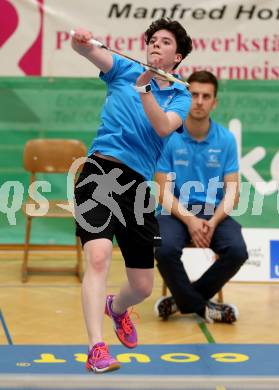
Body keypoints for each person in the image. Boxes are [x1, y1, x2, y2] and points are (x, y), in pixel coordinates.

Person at [71, 18, 192, 373]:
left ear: (177, 56)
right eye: (153, 40)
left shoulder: (179, 94)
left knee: (142, 285)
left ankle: (117, 307)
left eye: (165, 42)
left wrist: (145, 90)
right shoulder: (124, 68)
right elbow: (89, 51)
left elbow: (163, 126)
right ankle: (96, 347)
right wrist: (81, 41)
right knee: (98, 255)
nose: (156, 45)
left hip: (138, 186)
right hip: (99, 171)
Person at [154, 71, 248, 324]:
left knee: (238, 251)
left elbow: (233, 193)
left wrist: (213, 222)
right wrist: (191, 221)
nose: (199, 101)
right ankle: (200, 305)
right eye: (194, 94)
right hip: (176, 212)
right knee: (163, 248)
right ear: (186, 97)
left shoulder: (226, 139)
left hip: (213, 213)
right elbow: (162, 191)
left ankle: (183, 301)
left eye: (206, 96)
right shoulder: (169, 136)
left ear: (214, 102)